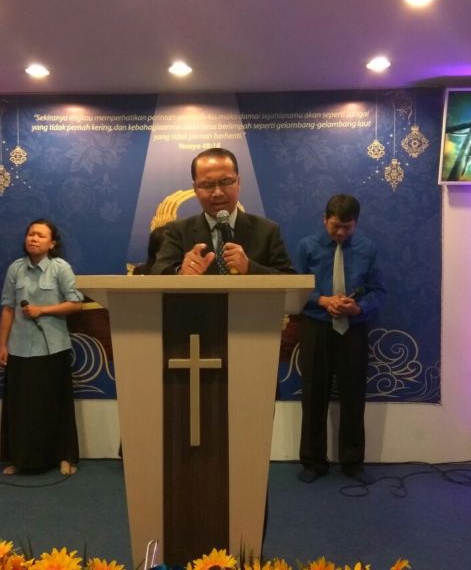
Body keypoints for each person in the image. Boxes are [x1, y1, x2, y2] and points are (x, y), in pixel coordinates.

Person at [293, 194, 386, 485]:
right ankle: (313, 461)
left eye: (348, 227)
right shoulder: (307, 246)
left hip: (353, 329)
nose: (342, 232)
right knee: (313, 396)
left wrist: (359, 308)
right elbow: (295, 289)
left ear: (355, 223)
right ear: (325, 220)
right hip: (317, 327)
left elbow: (378, 291)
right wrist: (323, 300)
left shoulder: (368, 249)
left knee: (353, 396)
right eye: (336, 226)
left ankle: (353, 462)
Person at [0, 219, 85, 476]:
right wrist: (2, 345)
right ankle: (21, 459)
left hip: (52, 349)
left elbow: (76, 303)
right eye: (31, 234)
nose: (34, 238)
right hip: (20, 348)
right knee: (21, 408)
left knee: (55, 406)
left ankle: (64, 458)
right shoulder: (15, 269)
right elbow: (7, 308)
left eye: (41, 235)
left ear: (52, 243)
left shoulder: (60, 268)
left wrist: (43, 310)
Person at [149, 147, 295, 275]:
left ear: (238, 182)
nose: (217, 193)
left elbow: (288, 278)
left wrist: (250, 268)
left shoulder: (267, 230)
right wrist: (180, 272)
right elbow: (157, 272)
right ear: (195, 189)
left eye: (225, 182)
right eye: (207, 185)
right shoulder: (178, 231)